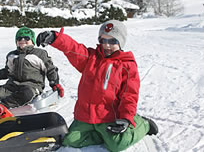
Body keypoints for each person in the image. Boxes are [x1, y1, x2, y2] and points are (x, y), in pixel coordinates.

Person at [36, 20, 158, 151]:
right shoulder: (91, 58)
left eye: (112, 41)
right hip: (85, 117)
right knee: (70, 141)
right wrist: (55, 38)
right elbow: (73, 49)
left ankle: (142, 124)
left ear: (121, 42)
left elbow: (130, 95)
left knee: (117, 145)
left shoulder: (127, 66)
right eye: (103, 40)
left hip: (109, 117)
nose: (107, 45)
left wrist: (126, 118)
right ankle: (101, 135)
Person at [0, 27, 64, 109]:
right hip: (12, 86)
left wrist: (55, 83)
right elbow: (7, 71)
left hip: (32, 86)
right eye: (19, 38)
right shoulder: (12, 55)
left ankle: (2, 106)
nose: (22, 40)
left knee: (26, 94)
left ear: (32, 41)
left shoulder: (39, 54)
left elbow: (50, 69)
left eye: (26, 38)